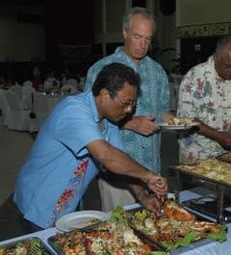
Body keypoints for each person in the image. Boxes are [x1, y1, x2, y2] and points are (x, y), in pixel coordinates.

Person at [13, 63, 168, 229]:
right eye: (125, 103)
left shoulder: (109, 121)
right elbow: (105, 155)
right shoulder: (74, 110)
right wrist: (148, 176)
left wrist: (143, 196)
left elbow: (121, 161)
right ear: (105, 95)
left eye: (133, 104)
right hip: (39, 202)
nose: (129, 110)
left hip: (66, 204)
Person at [85, 7, 172, 211]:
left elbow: (162, 112)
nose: (143, 45)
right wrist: (132, 123)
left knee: (152, 231)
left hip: (151, 167)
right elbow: (90, 120)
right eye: (137, 37)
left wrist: (179, 122)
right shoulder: (100, 70)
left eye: (148, 39)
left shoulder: (157, 71)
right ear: (125, 33)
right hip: (118, 173)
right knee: (120, 233)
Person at [177, 36, 231, 162]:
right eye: (228, 66)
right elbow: (185, 120)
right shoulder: (194, 77)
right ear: (216, 58)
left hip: (229, 154)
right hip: (198, 155)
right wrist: (219, 136)